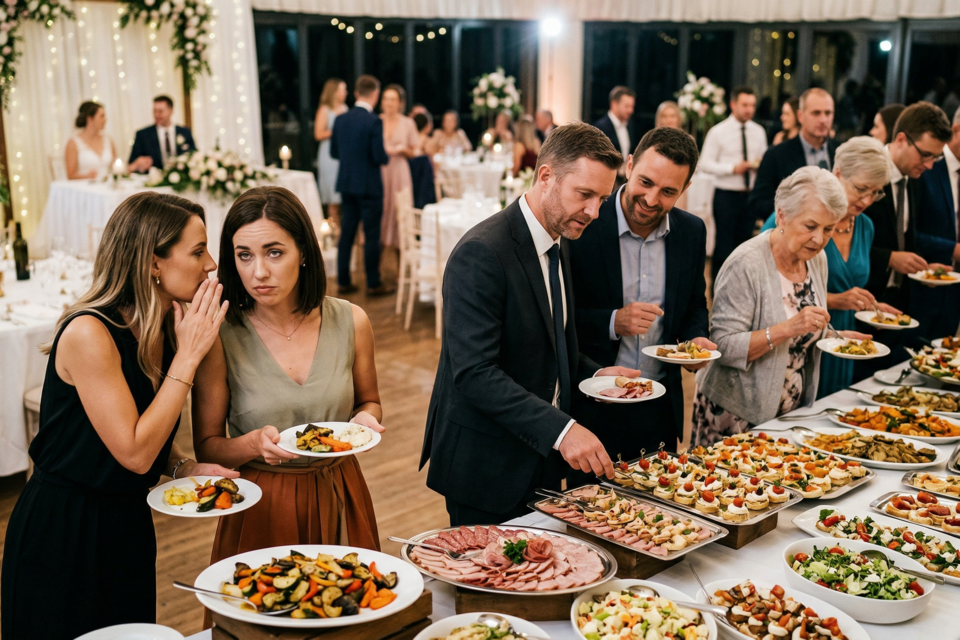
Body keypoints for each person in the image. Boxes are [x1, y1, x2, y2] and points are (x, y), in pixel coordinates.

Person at [1, 192, 233, 640]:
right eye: (198, 251)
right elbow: (134, 452)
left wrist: (183, 465)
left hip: (126, 524)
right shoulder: (90, 332)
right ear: (152, 264)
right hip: (64, 530)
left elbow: (150, 427)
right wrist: (188, 358)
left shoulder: (165, 325)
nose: (211, 264)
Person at [420, 122, 638, 526]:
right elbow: (476, 373)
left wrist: (595, 374)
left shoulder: (559, 238)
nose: (593, 211)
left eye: (602, 198)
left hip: (538, 457)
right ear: (545, 176)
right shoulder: (481, 253)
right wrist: (563, 430)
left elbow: (549, 345)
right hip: (487, 465)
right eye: (585, 194)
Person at [193, 187, 384, 601]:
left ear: (303, 251)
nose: (258, 271)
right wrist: (251, 444)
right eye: (244, 255)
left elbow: (368, 401)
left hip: (341, 491)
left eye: (273, 252)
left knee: (350, 615)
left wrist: (365, 419)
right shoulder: (220, 336)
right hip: (263, 505)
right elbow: (207, 447)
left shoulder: (352, 321)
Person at [568, 127, 712, 482]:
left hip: (659, 408)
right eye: (645, 182)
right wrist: (612, 321)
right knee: (589, 519)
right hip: (593, 405)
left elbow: (695, 305)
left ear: (685, 190)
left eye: (668, 192)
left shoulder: (692, 232)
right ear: (629, 165)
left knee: (658, 522)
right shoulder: (583, 225)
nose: (651, 199)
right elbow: (559, 319)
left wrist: (697, 341)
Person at [693, 167, 869, 446]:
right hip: (736, 413)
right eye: (810, 226)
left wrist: (837, 338)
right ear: (783, 216)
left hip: (789, 413)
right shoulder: (746, 263)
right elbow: (722, 347)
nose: (819, 239)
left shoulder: (816, 259)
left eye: (828, 229)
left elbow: (804, 328)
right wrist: (787, 329)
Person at [762, 137, 897, 396]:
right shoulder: (793, 216)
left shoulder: (865, 225)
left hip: (842, 338)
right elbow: (765, 288)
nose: (867, 199)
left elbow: (851, 286)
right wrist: (836, 301)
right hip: (795, 341)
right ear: (837, 174)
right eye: (861, 188)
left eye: (876, 192)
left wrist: (872, 308)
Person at [699, 86, 768, 290]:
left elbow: (763, 160)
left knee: (746, 247)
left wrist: (759, 165)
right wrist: (732, 168)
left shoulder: (759, 131)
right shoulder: (718, 131)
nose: (749, 110)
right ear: (733, 104)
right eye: (745, 105)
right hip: (726, 195)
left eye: (752, 105)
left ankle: (740, 291)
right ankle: (717, 291)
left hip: (749, 197)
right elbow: (705, 163)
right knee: (723, 247)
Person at [330, 75, 392, 295]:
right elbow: (378, 156)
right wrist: (386, 157)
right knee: (371, 235)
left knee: (347, 233)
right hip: (369, 186)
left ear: (356, 93)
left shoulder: (340, 120)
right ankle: (373, 283)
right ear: (375, 95)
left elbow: (334, 152)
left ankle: (344, 281)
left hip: (347, 184)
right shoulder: (374, 121)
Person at [748, 88, 839, 225]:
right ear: (800, 116)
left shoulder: (839, 152)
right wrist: (796, 210)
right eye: (816, 113)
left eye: (828, 113)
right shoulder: (777, 154)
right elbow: (757, 202)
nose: (823, 120)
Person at [914, 105, 960, 341]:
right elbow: (910, 232)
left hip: (954, 297)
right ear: (956, 130)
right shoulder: (925, 166)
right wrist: (952, 249)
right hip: (921, 292)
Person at [379, 84, 419, 254]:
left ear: (400, 103)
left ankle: (400, 268)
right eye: (386, 98)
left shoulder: (408, 123)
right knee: (380, 212)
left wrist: (403, 150)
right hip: (380, 172)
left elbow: (415, 151)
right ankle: (375, 269)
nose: (389, 102)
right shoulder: (376, 121)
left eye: (393, 99)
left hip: (399, 171)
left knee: (400, 214)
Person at [128, 95, 197, 173]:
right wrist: (139, 164)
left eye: (160, 111)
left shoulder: (185, 132)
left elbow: (194, 156)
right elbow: (131, 165)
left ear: (171, 111)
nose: (156, 115)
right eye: (154, 111)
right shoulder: (143, 135)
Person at [314, 78, 349, 228]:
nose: (345, 93)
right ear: (334, 92)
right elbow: (318, 134)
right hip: (329, 157)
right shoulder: (325, 110)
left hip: (343, 155)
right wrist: (336, 132)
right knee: (332, 196)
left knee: (343, 197)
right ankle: (335, 231)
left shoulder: (345, 108)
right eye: (342, 89)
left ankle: (344, 229)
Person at [65, 101, 117, 180]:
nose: (105, 120)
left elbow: (116, 166)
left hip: (107, 185)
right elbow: (71, 175)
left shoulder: (108, 139)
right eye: (101, 116)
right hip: (85, 187)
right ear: (90, 119)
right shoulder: (73, 142)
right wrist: (87, 176)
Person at [594, 86, 636, 178]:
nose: (631, 110)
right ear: (614, 104)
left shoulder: (630, 126)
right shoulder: (600, 128)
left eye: (632, 106)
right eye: (627, 106)